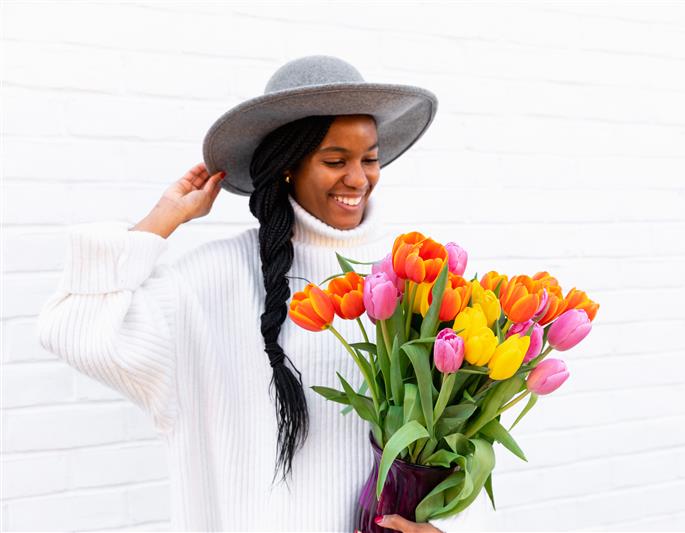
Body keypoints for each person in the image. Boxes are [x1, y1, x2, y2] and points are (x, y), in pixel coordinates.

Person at [37, 55, 493, 532]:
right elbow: (75, 327)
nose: (358, 178)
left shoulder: (418, 276)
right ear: (286, 168)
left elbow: (460, 444)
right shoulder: (213, 279)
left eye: (370, 158)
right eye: (335, 161)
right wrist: (162, 219)